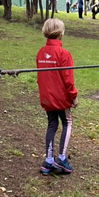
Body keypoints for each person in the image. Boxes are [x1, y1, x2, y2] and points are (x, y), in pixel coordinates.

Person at [36, 18, 78, 175]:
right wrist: (73, 96)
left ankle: (48, 160)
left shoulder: (40, 53)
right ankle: (61, 158)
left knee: (52, 124)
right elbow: (68, 79)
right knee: (67, 122)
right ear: (61, 33)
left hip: (47, 97)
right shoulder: (63, 53)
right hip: (61, 98)